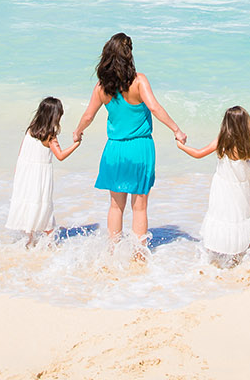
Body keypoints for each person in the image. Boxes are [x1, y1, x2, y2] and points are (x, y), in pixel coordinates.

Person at [72, 32, 187, 253]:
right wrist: (177, 130)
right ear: (129, 55)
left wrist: (77, 132)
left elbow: (88, 116)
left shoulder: (101, 88)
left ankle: (113, 252)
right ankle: (138, 255)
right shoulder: (139, 81)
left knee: (116, 206)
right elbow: (154, 107)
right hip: (139, 148)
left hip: (114, 149)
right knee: (140, 206)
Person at [176, 106, 250, 265]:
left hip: (222, 189)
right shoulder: (246, 146)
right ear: (245, 125)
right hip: (242, 190)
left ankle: (214, 256)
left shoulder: (221, 142)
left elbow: (198, 153)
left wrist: (181, 146)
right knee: (245, 218)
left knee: (222, 217)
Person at [5, 96, 82, 247]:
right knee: (43, 203)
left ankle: (29, 239)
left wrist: (18, 172)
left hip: (25, 171)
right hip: (40, 175)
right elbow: (60, 156)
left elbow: (22, 152)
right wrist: (76, 144)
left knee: (28, 200)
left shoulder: (31, 129)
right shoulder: (50, 136)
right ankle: (50, 242)